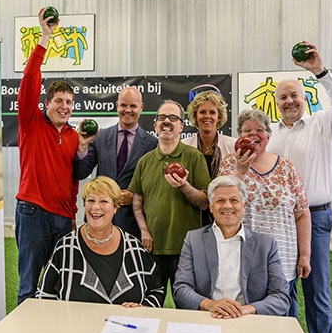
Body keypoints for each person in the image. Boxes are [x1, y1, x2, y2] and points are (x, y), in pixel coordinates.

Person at [267, 41, 332, 333]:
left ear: (305, 98)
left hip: (315, 219)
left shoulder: (325, 124)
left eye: (294, 95)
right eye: (283, 97)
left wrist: (319, 70)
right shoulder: (271, 136)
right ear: (276, 103)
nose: (289, 101)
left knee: (316, 293)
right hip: (278, 223)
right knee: (283, 291)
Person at [218, 108, 311, 318]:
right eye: (246, 130)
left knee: (284, 319)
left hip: (283, 259)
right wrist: (240, 171)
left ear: (268, 136)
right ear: (239, 137)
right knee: (243, 319)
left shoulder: (286, 167)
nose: (252, 135)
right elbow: (223, 208)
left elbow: (302, 213)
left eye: (259, 130)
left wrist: (304, 255)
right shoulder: (228, 165)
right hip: (244, 260)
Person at [15, 8, 80, 305]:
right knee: (29, 286)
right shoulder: (30, 122)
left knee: (58, 287)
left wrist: (72, 217)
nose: (64, 106)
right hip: (33, 214)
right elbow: (30, 78)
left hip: (63, 219)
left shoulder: (73, 136)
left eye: (69, 102)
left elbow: (73, 179)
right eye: (59, 101)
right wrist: (45, 38)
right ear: (47, 102)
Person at [36, 176, 165, 307]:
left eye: (103, 201)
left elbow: (156, 291)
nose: (96, 207)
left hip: (126, 327)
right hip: (76, 327)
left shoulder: (134, 248)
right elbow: (43, 295)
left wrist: (142, 309)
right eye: (90, 200)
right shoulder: (65, 247)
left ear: (115, 207)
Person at [173, 175, 290, 318]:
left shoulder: (265, 245)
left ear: (243, 205)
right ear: (210, 206)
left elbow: (281, 296)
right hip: (209, 317)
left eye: (234, 200)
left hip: (249, 320)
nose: (227, 206)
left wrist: (246, 310)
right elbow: (181, 289)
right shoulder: (194, 240)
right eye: (220, 201)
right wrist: (210, 305)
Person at [128, 100, 210, 301]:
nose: (167, 122)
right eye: (162, 118)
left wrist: (184, 185)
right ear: (155, 125)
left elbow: (205, 202)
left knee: (187, 306)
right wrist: (144, 231)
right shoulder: (145, 161)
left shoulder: (194, 157)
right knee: (149, 304)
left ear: (181, 126)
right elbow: (137, 201)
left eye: (173, 118)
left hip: (186, 249)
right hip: (152, 248)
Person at [74, 86, 158, 238]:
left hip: (133, 224)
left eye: (133, 106)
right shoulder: (100, 137)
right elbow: (81, 172)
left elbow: (155, 186)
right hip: (98, 220)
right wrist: (82, 147)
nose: (128, 110)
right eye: (124, 105)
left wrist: (135, 196)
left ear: (141, 107)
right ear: (117, 105)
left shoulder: (152, 144)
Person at [182, 89, 237, 224]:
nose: (207, 116)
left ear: (219, 117)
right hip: (192, 214)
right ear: (195, 116)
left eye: (212, 112)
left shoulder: (233, 146)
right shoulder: (183, 146)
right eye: (202, 112)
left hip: (225, 214)